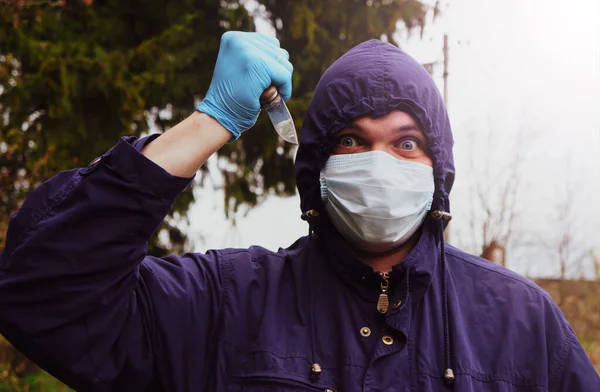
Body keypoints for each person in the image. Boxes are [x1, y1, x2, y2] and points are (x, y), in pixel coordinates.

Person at [0, 31, 597, 392]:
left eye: (406, 142)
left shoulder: (521, 322)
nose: (378, 161)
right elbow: (45, 296)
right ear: (316, 170)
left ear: (437, 170)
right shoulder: (226, 303)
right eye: (351, 142)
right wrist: (209, 122)